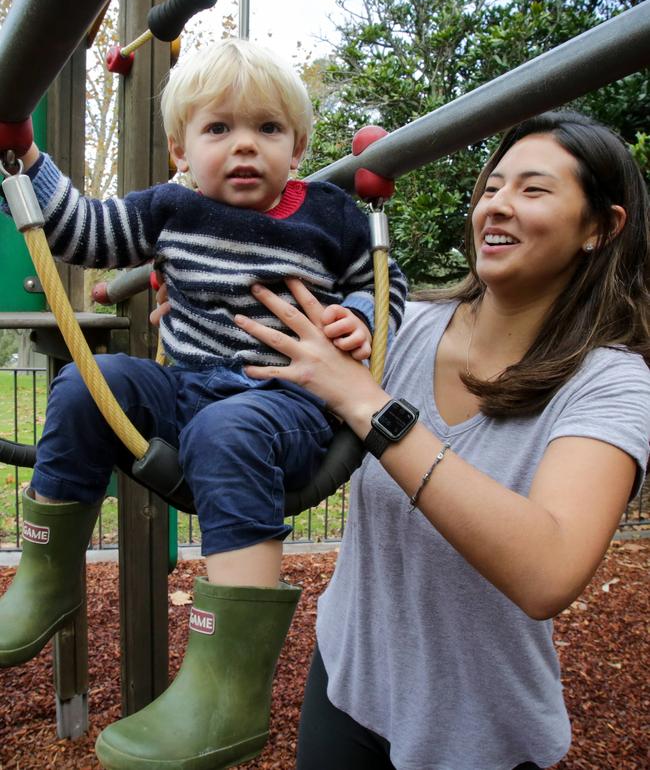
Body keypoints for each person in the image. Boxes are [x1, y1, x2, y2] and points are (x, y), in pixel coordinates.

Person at [0, 38, 407, 770]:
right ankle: (45, 578)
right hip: (184, 390)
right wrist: (26, 162)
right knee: (93, 379)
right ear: (179, 148)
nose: (244, 146)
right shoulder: (171, 208)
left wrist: (362, 319)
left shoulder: (333, 214)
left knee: (231, 422)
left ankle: (229, 690)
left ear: (299, 145)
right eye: (219, 129)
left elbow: (382, 279)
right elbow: (85, 231)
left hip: (282, 405)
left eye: (268, 130)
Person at [232, 110, 650, 770]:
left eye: (533, 190)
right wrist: (213, 305)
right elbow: (282, 411)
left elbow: (549, 571)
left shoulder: (610, 383)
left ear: (600, 227)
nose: (498, 207)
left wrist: (370, 403)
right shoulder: (407, 326)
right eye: (491, 187)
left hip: (479, 732)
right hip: (347, 683)